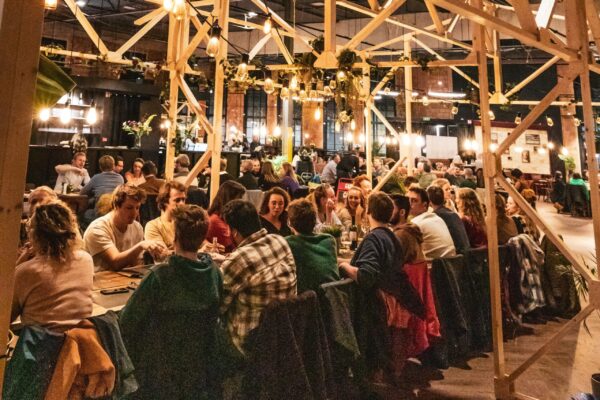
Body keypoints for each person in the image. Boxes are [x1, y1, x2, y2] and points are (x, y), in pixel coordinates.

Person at [120, 204, 223, 399]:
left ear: (175, 236)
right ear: (203, 237)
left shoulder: (160, 276)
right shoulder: (214, 273)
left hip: (158, 369)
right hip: (200, 367)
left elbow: (127, 321)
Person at [219, 200, 297, 354]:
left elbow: (219, 306)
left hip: (249, 345)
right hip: (286, 336)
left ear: (234, 232)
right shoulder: (280, 241)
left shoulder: (238, 260)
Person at [12, 202, 93, 331]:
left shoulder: (28, 271)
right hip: (81, 339)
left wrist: (19, 265)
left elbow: (6, 316)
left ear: (35, 234)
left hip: (43, 342)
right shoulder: (86, 259)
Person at [83, 185, 167, 271]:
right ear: (116, 206)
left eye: (137, 208)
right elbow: (115, 263)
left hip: (124, 277)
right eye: (129, 208)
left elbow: (136, 264)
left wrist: (157, 254)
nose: (134, 213)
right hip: (100, 278)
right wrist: (141, 246)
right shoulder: (98, 228)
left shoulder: (137, 227)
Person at [286, 199, 340, 293]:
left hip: (307, 299)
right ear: (315, 221)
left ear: (289, 223)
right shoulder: (329, 240)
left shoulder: (286, 243)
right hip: (334, 298)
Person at [407, 187, 456, 259]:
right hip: (452, 263)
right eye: (407, 200)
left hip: (435, 265)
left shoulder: (416, 223)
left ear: (424, 205)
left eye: (414, 200)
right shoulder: (437, 218)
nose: (409, 204)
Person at [427, 185, 470, 254]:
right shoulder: (453, 214)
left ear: (429, 202)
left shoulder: (436, 217)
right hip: (465, 254)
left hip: (455, 256)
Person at [144, 181, 187, 250]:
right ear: (164, 202)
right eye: (177, 200)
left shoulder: (188, 222)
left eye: (183, 199)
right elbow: (161, 254)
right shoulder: (153, 226)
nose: (182, 203)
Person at [206, 180, 246, 253]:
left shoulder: (226, 218)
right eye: (240, 198)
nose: (242, 202)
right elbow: (234, 249)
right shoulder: (216, 221)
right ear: (230, 199)